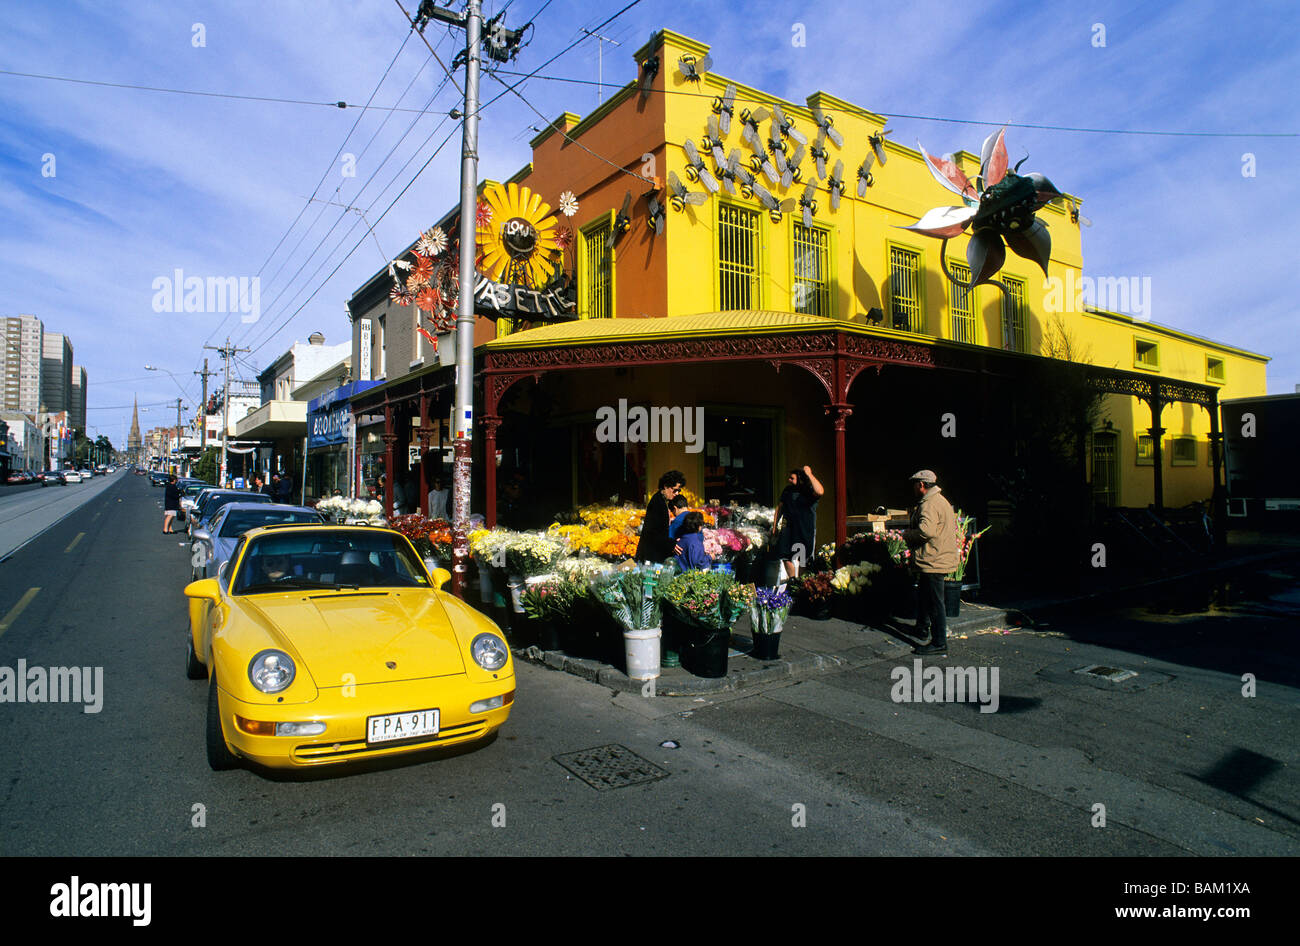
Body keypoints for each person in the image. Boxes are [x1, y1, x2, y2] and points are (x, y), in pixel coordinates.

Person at [901, 469, 958, 657]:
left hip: (934, 559)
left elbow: (926, 531)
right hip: (937, 557)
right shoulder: (940, 501)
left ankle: (939, 642)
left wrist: (906, 535)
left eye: (915, 484)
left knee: (935, 601)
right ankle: (922, 628)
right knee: (926, 595)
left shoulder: (929, 504)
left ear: (922, 485)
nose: (914, 488)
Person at [773, 465, 824, 580]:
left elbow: (820, 491)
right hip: (788, 528)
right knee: (785, 555)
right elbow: (779, 508)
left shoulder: (809, 491)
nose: (789, 480)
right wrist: (775, 526)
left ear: (800, 479)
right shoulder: (788, 490)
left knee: (802, 558)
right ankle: (792, 581)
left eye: (792, 478)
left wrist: (809, 474)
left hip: (804, 529)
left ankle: (801, 582)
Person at [635, 470, 685, 564]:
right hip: (651, 556)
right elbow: (654, 532)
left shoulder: (661, 500)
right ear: (666, 487)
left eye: (679, 490)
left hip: (654, 552)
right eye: (675, 490)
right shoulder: (657, 503)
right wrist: (671, 544)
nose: (677, 493)